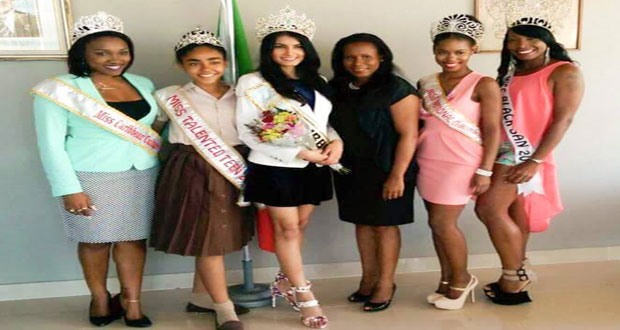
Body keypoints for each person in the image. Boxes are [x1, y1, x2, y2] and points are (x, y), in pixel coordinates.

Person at [31, 12, 158, 327]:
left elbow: (152, 127)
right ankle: (100, 299)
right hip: (90, 177)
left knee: (133, 239)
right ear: (83, 55)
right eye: (102, 53)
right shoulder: (58, 89)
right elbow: (51, 145)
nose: (115, 60)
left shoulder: (143, 83)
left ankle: (132, 304)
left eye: (122, 52)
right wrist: (68, 188)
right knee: (95, 240)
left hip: (141, 173)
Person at [235, 6, 342, 329]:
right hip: (274, 165)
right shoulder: (253, 82)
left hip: (316, 165)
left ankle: (284, 282)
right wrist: (301, 153)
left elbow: (325, 125)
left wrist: (337, 144)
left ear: (306, 50)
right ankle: (305, 296)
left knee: (302, 224)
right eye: (280, 46)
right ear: (269, 51)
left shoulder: (318, 81)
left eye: (296, 46)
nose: (289, 53)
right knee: (288, 229)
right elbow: (246, 131)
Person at [475, 14, 584, 305]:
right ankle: (513, 274)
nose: (521, 45)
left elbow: (564, 120)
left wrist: (535, 161)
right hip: (498, 150)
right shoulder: (511, 72)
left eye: (530, 38)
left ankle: (515, 276)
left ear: (546, 40)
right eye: (514, 39)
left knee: (488, 209)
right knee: (512, 212)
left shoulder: (564, 72)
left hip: (522, 154)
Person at [149, 28, 253, 330]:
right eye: (194, 62)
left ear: (225, 63)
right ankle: (225, 309)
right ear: (182, 66)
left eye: (214, 61)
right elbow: (151, 133)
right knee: (208, 238)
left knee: (218, 235)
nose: (206, 68)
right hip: (191, 169)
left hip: (234, 167)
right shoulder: (171, 98)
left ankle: (201, 297)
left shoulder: (243, 94)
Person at [416, 14, 502, 310]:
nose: (450, 58)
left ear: (473, 50)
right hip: (428, 159)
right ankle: (446, 279)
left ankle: (462, 280)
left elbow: (493, 130)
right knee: (435, 223)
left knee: (444, 222)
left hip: (462, 163)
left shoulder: (484, 83)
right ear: (434, 51)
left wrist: (485, 170)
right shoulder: (425, 82)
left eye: (459, 52)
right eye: (443, 52)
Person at [329, 33, 419, 312]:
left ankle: (385, 283)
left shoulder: (397, 88)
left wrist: (397, 175)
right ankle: (368, 278)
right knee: (362, 222)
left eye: (366, 56)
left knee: (384, 224)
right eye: (350, 57)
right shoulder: (337, 88)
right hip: (351, 168)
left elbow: (409, 135)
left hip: (388, 166)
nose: (358, 63)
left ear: (381, 57)